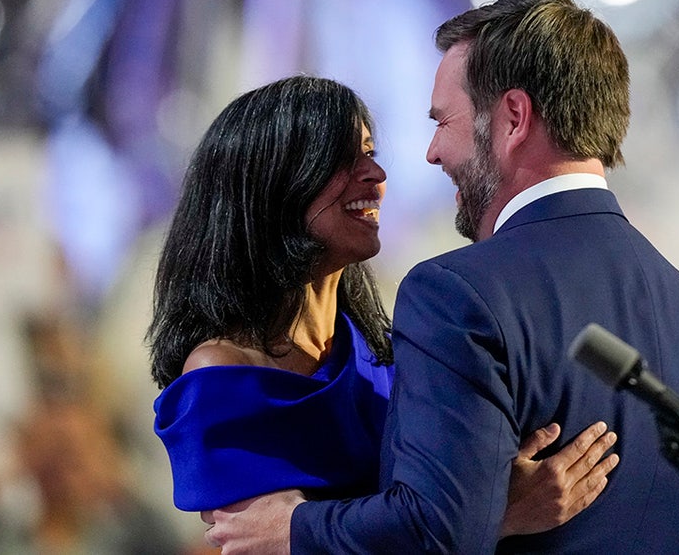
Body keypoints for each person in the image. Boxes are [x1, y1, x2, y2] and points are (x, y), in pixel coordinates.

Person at [209, 0, 679, 553]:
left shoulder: (456, 296)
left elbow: (435, 530)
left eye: (444, 120)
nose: (432, 152)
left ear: (513, 119)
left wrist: (295, 530)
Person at [145, 76, 618, 543]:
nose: (375, 175)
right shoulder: (220, 375)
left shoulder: (386, 350)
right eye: (341, 159)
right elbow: (272, 543)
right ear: (272, 184)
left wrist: (476, 496)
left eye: (368, 154)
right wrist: (490, 513)